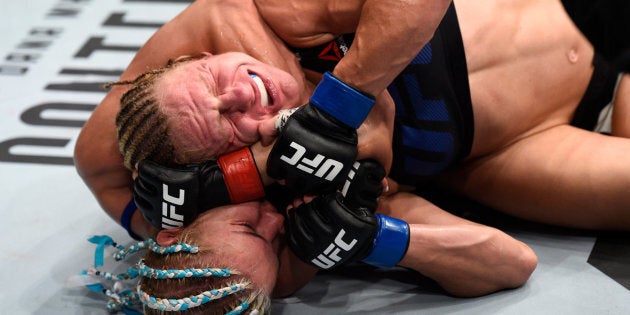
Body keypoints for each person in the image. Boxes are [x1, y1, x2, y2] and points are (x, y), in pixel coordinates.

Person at [74, 0, 630, 313]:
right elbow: (509, 262)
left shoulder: (259, 34)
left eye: (251, 224)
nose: (275, 220)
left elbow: (95, 160)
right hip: (516, 142)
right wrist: (378, 240)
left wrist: (332, 112)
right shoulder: (306, 232)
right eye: (276, 244)